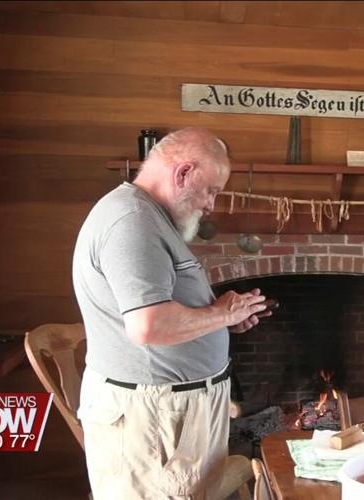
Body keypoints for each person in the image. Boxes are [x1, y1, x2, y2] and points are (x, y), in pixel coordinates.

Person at [72, 127, 269, 499]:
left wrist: (221, 318)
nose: (212, 205)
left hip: (170, 415)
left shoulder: (148, 216)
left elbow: (162, 308)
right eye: (212, 190)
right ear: (183, 174)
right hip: (154, 420)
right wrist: (221, 316)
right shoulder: (131, 222)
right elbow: (149, 325)